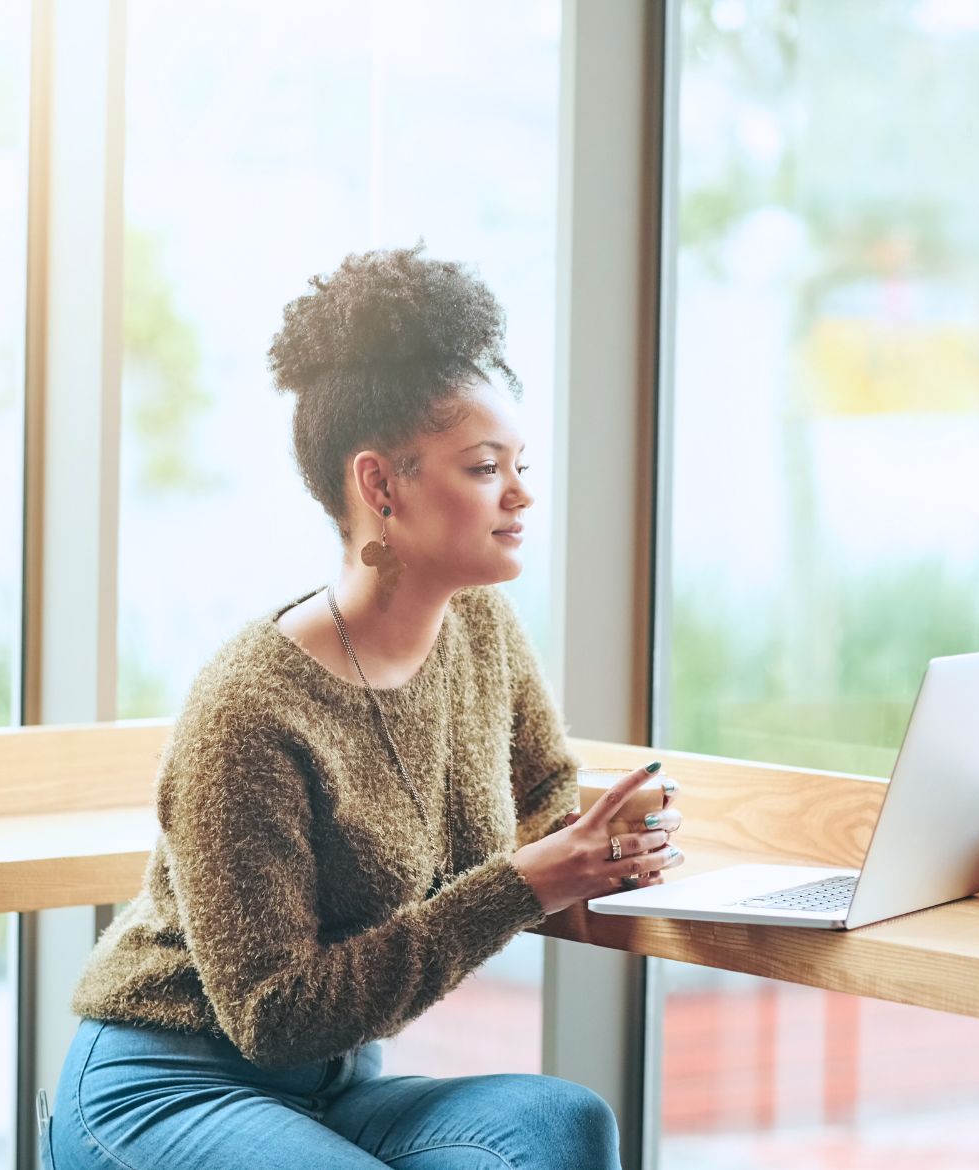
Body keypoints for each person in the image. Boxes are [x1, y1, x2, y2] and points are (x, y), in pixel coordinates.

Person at [47, 245, 685, 1169]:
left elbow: (544, 782)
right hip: (170, 1081)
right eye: (483, 468)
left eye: (520, 463)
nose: (521, 494)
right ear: (381, 485)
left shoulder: (480, 628)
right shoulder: (252, 707)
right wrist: (530, 882)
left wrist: (608, 837)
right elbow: (272, 1015)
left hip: (333, 1089)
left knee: (566, 1124)